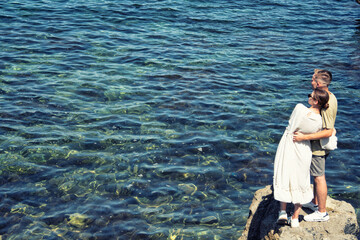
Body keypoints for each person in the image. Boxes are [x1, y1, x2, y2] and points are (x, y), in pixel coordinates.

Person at [273, 88, 330, 228]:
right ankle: (295, 218)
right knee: (301, 180)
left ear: (315, 101)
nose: (308, 97)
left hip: (289, 144)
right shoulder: (319, 120)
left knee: (285, 174)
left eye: (310, 96)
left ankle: (282, 212)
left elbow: (291, 124)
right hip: (304, 149)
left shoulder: (299, 108)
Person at [293, 69, 337, 222]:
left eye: (312, 79)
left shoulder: (329, 103)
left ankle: (322, 213)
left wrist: (304, 137)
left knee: (319, 177)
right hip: (316, 144)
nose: (310, 81)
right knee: (316, 175)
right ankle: (314, 203)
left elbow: (328, 131)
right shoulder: (325, 97)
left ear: (318, 84)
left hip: (319, 146)